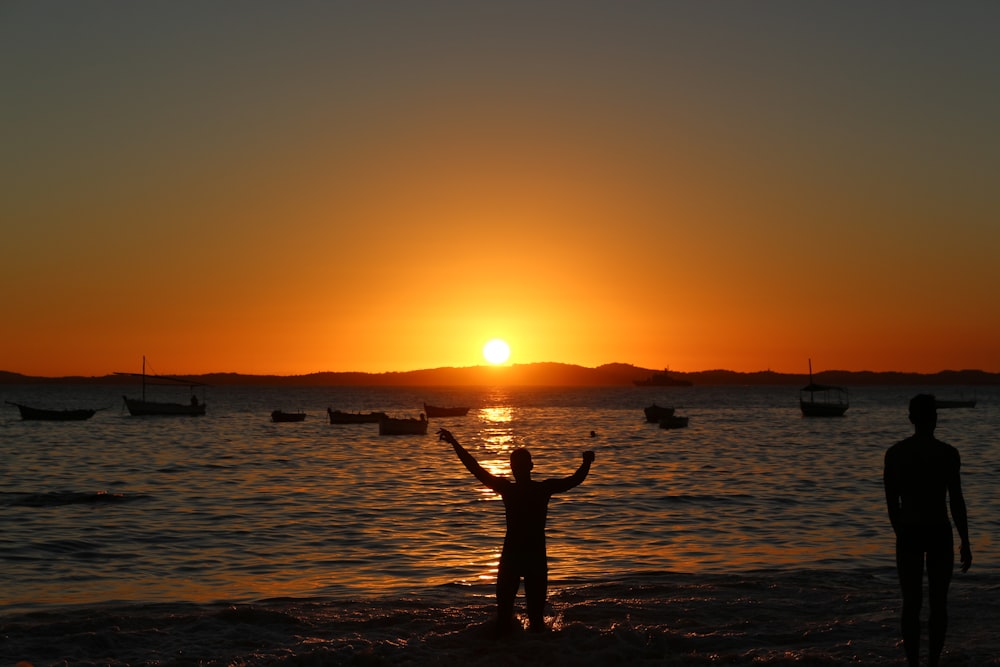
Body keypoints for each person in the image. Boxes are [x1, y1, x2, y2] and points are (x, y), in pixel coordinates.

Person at [439, 428, 595, 636]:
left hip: (514, 555)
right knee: (535, 623)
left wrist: (454, 442)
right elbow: (574, 480)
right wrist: (586, 463)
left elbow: (474, 468)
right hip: (533, 556)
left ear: (517, 467)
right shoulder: (541, 489)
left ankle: (508, 654)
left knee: (505, 620)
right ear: (528, 466)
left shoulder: (509, 489)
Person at [883, 394, 972, 667]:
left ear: (911, 419)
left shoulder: (896, 454)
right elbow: (956, 500)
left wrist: (902, 533)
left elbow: (892, 503)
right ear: (934, 419)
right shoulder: (947, 454)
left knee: (912, 602)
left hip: (911, 530)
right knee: (937, 603)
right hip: (937, 531)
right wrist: (965, 541)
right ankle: (931, 662)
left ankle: (914, 663)